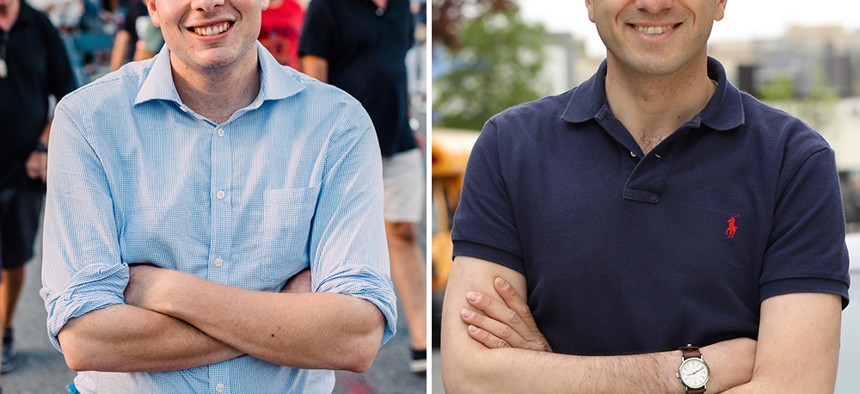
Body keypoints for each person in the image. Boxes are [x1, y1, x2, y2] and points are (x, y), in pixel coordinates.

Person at [441, 0, 850, 393]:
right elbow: (470, 378)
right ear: (589, 2)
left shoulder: (794, 162)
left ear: (721, 2)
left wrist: (548, 378)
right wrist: (695, 372)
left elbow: (796, 388)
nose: (653, 4)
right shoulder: (509, 146)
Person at [40, 0, 396, 392]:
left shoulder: (338, 124)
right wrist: (288, 320)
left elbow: (356, 337)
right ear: (154, 7)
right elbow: (86, 337)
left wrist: (166, 291)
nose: (206, 3)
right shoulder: (88, 120)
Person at [299, 0, 428, 373]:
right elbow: (315, 71)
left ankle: (421, 338)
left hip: (399, 139)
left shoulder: (403, 6)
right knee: (331, 241)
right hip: (346, 141)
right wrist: (317, 136)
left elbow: (395, 66)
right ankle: (321, 337)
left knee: (403, 231)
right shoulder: (328, 6)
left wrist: (408, 122)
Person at [0, 0, 76, 380]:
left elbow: (68, 95)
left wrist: (44, 146)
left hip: (24, 167)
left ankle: (4, 330)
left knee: (13, 257)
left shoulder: (38, 26)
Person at [258, 0, 303, 69]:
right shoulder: (256, 8)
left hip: (291, 69)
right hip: (263, 67)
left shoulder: (295, 8)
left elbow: (302, 41)